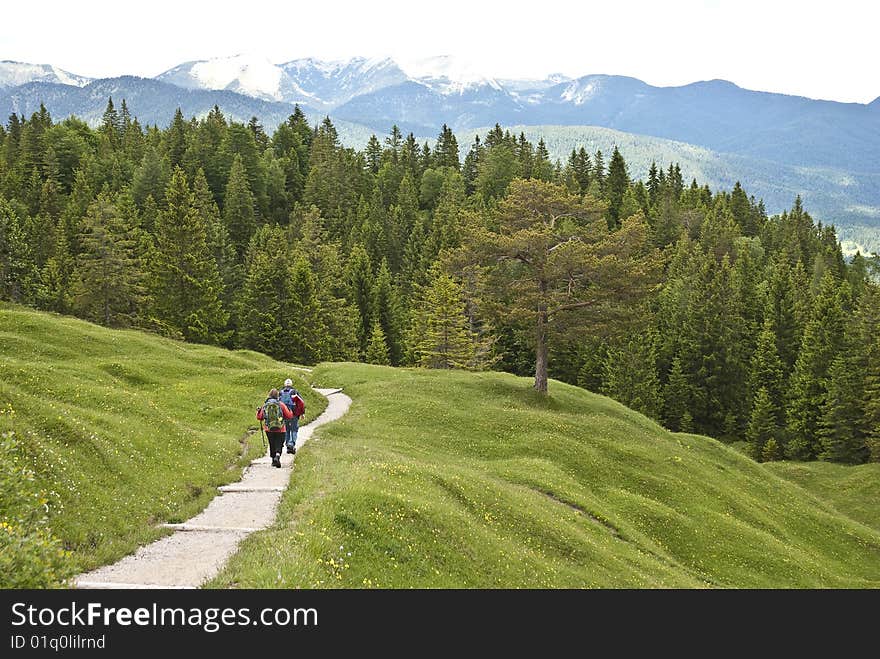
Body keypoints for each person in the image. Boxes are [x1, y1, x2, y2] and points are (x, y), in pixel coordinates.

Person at [256, 388, 294, 468]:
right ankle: (277, 456)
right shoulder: (281, 404)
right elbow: (289, 416)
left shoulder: (265, 405)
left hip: (268, 428)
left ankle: (273, 459)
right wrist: (290, 411)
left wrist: (258, 411)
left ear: (269, 395)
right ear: (278, 396)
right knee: (279, 444)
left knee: (272, 443)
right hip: (281, 428)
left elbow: (260, 417)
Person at [278, 378, 305, 454]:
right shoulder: (294, 392)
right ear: (291, 384)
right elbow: (301, 403)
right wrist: (302, 413)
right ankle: (291, 444)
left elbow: (278, 404)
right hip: (294, 414)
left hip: (284, 415)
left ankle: (287, 444)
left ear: (284, 384)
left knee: (286, 429)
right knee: (294, 429)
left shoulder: (280, 392)